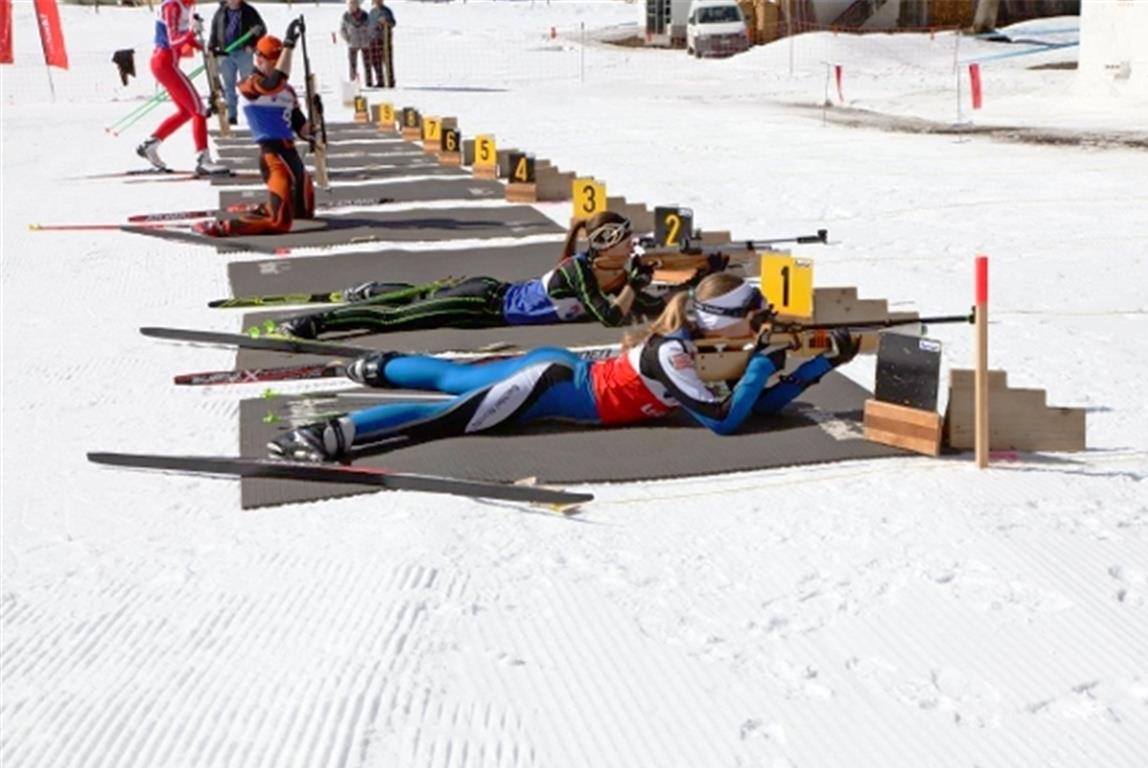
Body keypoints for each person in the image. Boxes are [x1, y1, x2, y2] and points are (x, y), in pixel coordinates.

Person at [268, 272, 862, 462]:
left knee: (457, 378)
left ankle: (383, 365)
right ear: (725, 320)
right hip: (550, 386)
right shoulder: (675, 353)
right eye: (754, 317)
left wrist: (816, 369)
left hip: (564, 374)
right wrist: (763, 363)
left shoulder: (702, 345)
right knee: (447, 416)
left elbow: (752, 405)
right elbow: (726, 420)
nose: (762, 325)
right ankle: (333, 432)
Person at [273, 211, 668, 339]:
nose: (634, 244)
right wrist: (635, 284)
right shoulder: (581, 269)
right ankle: (316, 322)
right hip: (483, 302)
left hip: (489, 299)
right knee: (399, 319)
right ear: (606, 242)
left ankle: (373, 289)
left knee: (417, 303)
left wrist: (690, 287)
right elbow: (610, 318)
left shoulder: (613, 273)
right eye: (627, 237)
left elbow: (649, 306)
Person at [193, 24, 315, 238]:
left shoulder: (288, 92)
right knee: (279, 223)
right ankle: (224, 227)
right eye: (274, 62)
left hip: (292, 155)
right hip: (273, 158)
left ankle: (265, 207)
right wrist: (288, 46)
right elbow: (272, 84)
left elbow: (301, 126)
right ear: (259, 60)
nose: (281, 66)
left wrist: (313, 131)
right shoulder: (249, 84)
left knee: (305, 212)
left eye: (282, 61)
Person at [137, 0, 230, 175]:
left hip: (168, 63)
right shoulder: (173, 6)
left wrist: (203, 46)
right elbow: (173, 40)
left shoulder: (186, 5)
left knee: (186, 111)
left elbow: (182, 37)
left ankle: (151, 144)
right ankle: (203, 159)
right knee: (199, 109)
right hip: (164, 63)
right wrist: (191, 33)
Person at [207, 0, 267, 125]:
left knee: (249, 85)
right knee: (229, 87)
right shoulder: (221, 12)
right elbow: (214, 31)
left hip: (244, 53)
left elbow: (262, 29)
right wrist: (212, 47)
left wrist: (252, 44)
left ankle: (253, 115)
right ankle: (232, 117)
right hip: (225, 54)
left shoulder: (248, 11)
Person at [340, 0, 373, 86]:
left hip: (365, 43)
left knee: (367, 64)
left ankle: (369, 82)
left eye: (355, 3)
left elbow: (370, 27)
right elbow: (342, 29)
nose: (353, 5)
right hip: (352, 44)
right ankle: (353, 83)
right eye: (351, 3)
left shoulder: (365, 15)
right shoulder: (346, 16)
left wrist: (368, 37)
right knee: (352, 65)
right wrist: (348, 39)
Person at [367, 0, 395, 88]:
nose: (378, 2)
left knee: (387, 61)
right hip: (373, 39)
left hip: (384, 40)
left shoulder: (387, 11)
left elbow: (393, 23)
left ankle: (390, 81)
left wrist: (386, 21)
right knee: (375, 61)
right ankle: (380, 80)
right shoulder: (372, 12)